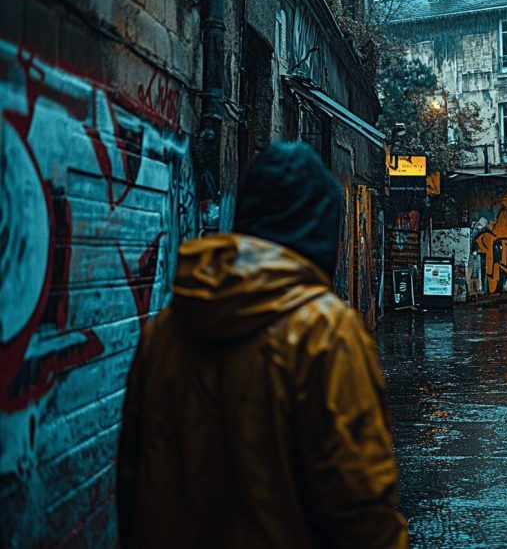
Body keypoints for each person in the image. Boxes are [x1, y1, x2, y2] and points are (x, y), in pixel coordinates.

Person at [117, 142, 408, 548]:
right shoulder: (325, 334)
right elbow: (362, 510)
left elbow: (132, 480)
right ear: (320, 232)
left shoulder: (166, 332)